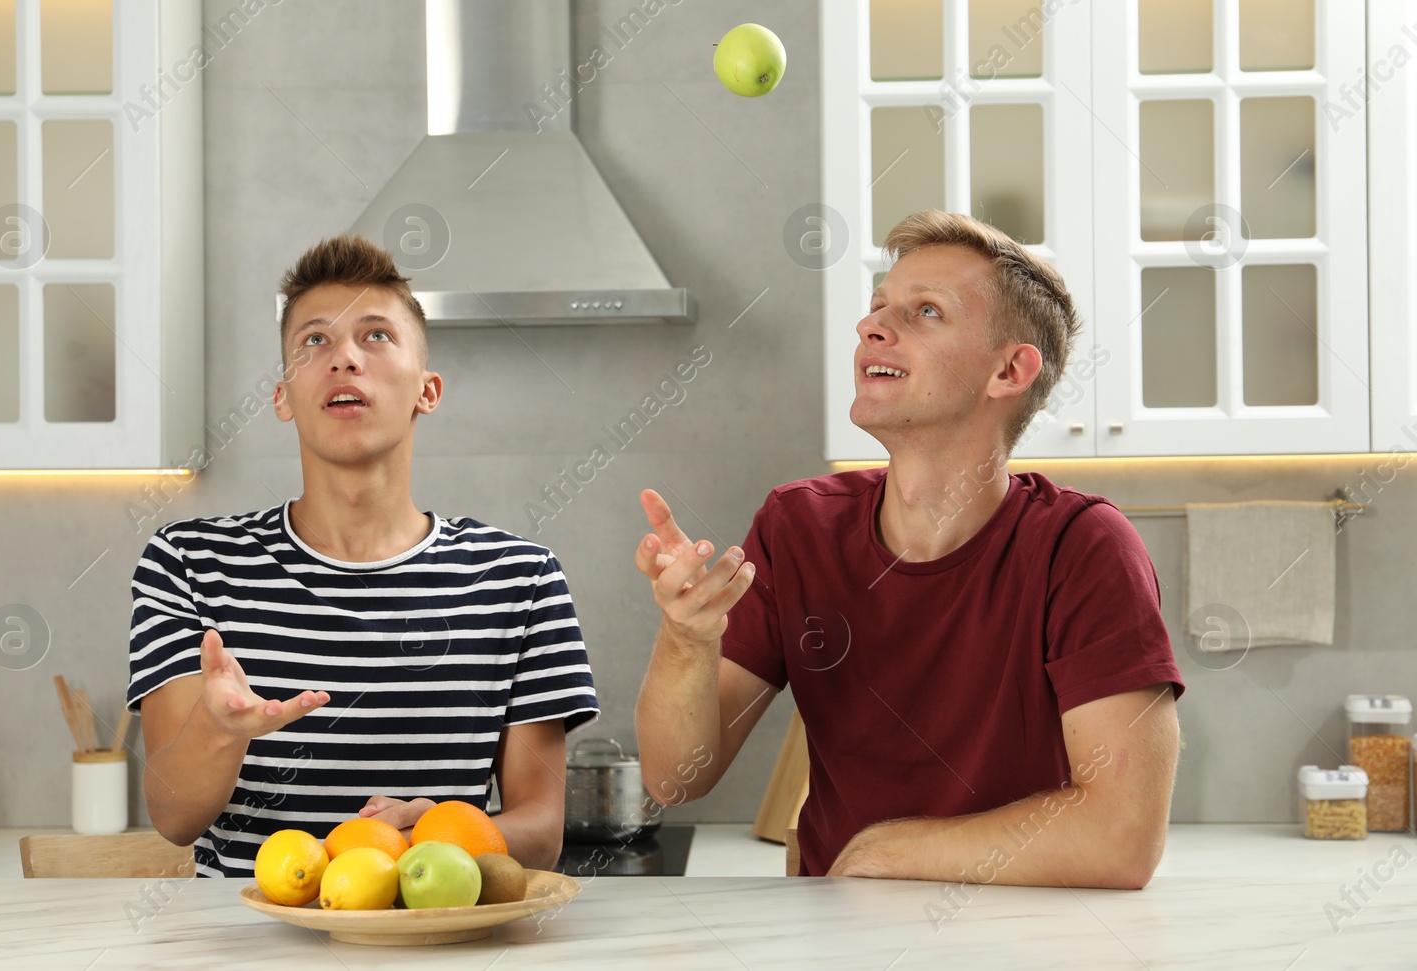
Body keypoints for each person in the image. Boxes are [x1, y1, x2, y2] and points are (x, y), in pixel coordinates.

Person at [632, 210, 1184, 885]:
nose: (872, 326)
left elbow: (1120, 838)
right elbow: (673, 778)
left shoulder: (1084, 548)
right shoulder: (797, 527)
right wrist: (686, 639)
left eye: (926, 311)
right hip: (842, 934)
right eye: (876, 307)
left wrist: (881, 854)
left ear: (1009, 370)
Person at [128, 234, 599, 877]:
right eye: (314, 341)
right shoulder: (189, 562)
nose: (344, 357)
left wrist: (419, 843)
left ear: (427, 390)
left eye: (376, 336)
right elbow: (173, 818)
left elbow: (541, 832)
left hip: (441, 943)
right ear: (283, 397)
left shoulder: (521, 580)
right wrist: (217, 730)